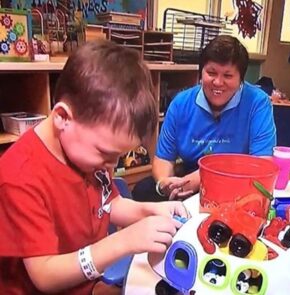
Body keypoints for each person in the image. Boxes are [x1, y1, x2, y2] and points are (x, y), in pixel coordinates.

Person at [0, 40, 188, 294]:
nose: (112, 166)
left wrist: (152, 211)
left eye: (119, 156)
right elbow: (45, 276)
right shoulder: (20, 177)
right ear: (63, 118)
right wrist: (123, 241)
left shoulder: (86, 153)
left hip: (86, 285)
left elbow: (108, 205)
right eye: (106, 154)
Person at [132, 35, 276, 202]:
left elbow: (262, 164)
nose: (218, 82)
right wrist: (165, 183)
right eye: (211, 73)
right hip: (188, 176)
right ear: (201, 73)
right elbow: (163, 158)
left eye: (228, 76)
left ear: (241, 80)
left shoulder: (258, 102)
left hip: (237, 180)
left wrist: (197, 180)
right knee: (143, 190)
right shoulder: (181, 103)